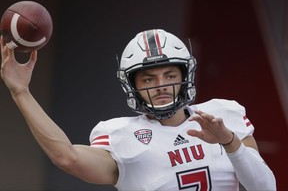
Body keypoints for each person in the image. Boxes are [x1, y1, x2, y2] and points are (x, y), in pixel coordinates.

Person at [1, 29, 276, 191]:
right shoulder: (121, 134)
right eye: (148, 79)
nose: (161, 85)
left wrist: (230, 142)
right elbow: (67, 157)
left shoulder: (223, 115)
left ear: (185, 75)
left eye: (170, 75)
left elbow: (265, 188)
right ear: (132, 85)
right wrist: (21, 92)